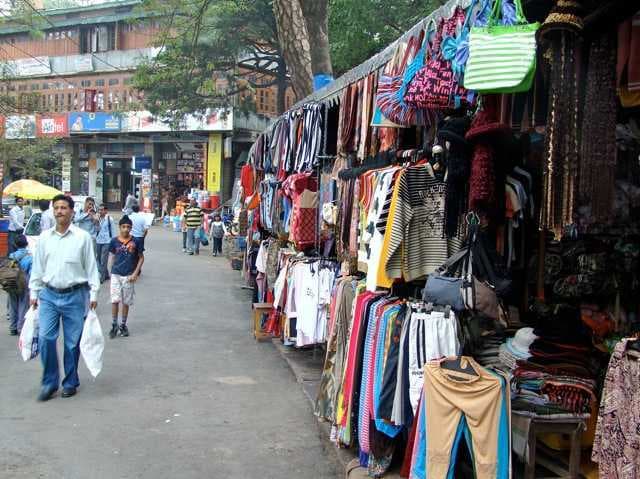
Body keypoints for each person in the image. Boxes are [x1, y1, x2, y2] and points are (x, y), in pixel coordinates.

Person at [29, 194, 100, 402]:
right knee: (45, 339)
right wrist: (34, 292)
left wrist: (93, 293)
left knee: (71, 343)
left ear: (71, 211)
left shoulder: (82, 238)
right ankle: (49, 382)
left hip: (75, 296)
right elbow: (38, 268)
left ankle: (70, 382)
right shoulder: (44, 238)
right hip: (49, 295)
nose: (59, 211)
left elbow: (91, 266)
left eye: (63, 208)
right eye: (56, 208)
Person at [108, 215, 144, 339]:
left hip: (129, 275)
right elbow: (112, 256)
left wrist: (135, 273)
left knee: (126, 301)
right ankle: (114, 324)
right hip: (116, 274)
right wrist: (111, 270)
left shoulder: (136, 241)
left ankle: (123, 324)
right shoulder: (114, 241)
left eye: (128, 227)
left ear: (131, 228)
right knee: (115, 300)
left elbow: (141, 258)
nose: (126, 229)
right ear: (119, 227)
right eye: (123, 227)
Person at [7, 234, 31, 335]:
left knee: (13, 304)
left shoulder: (11, 256)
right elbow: (31, 273)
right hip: (24, 283)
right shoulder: (29, 257)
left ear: (15, 245)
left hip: (11, 282)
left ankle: (12, 327)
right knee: (23, 304)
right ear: (26, 244)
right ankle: (20, 327)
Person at [95, 204, 116, 283]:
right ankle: (106, 274)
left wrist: (114, 242)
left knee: (104, 260)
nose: (100, 211)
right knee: (98, 259)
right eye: (99, 210)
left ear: (106, 211)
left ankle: (102, 277)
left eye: (102, 209)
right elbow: (96, 229)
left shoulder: (110, 219)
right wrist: (96, 221)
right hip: (98, 240)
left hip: (107, 241)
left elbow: (113, 231)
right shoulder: (97, 218)